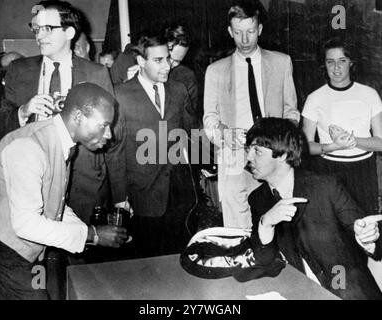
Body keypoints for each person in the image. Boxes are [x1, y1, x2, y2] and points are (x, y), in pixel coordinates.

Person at [0, 82, 128, 300]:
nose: (110, 135)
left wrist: (90, 234)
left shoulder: (60, 141)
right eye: (104, 125)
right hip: (7, 253)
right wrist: (91, 235)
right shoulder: (28, 147)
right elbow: (26, 225)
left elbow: (54, 201)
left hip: (24, 254)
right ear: (78, 117)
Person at [1, 1, 124, 225]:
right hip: (31, 182)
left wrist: (120, 195)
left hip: (85, 185)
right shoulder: (19, 70)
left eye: (48, 28)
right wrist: (23, 111)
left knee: (85, 254)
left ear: (69, 32)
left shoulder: (96, 73)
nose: (40, 35)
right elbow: (2, 122)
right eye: (36, 29)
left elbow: (114, 135)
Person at [246, 117, 382, 300]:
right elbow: (264, 261)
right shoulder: (258, 199)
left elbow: (369, 236)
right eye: (248, 150)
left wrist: (368, 238)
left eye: (257, 151)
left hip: (347, 292)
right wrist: (265, 224)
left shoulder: (326, 186)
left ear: (284, 154)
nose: (248, 158)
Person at [203, 0, 300, 229]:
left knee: (279, 214)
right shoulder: (215, 71)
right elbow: (210, 118)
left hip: (273, 154)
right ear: (230, 31)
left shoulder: (281, 62)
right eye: (238, 33)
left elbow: (292, 111)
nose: (244, 40)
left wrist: (278, 141)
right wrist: (225, 136)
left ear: (260, 29)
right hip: (233, 153)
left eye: (250, 32)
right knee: (236, 219)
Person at [112, 34, 197, 258]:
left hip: (178, 194)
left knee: (179, 257)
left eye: (168, 59)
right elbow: (115, 151)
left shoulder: (179, 90)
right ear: (140, 61)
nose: (167, 66)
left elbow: (190, 132)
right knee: (147, 264)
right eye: (158, 60)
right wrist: (120, 196)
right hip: (140, 195)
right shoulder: (120, 95)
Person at [302, 37, 382, 216]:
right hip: (328, 170)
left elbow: (380, 142)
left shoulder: (369, 94)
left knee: (365, 225)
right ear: (324, 64)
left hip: (363, 171)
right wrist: (333, 147)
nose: (336, 68)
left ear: (351, 63)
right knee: (334, 228)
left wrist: (351, 141)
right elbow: (305, 146)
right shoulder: (314, 98)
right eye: (330, 62)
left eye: (342, 61)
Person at [110, 25, 200, 125]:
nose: (169, 66)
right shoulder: (125, 61)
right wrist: (131, 84)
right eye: (168, 58)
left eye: (177, 61)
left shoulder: (186, 78)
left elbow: (191, 125)